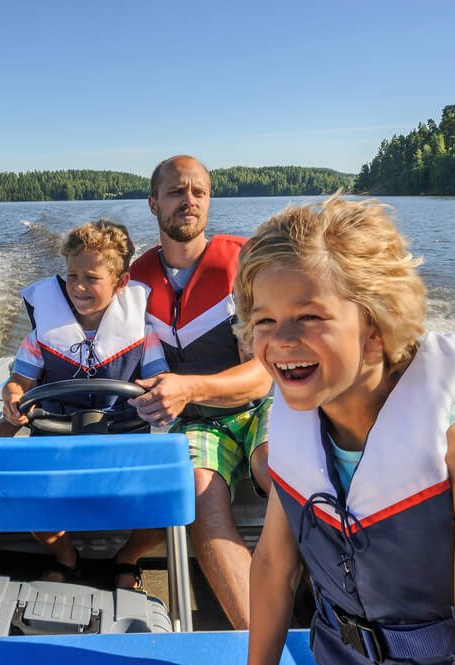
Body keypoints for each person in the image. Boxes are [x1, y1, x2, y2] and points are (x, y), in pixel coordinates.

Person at [237, 196, 455, 665]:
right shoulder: (293, 435)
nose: (282, 339)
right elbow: (272, 566)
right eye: (264, 320)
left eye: (310, 317)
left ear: (375, 325)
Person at [0, 219, 168, 589]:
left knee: (165, 509)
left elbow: (159, 380)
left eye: (91, 278)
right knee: (32, 507)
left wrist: (155, 394)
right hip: (55, 442)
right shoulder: (42, 335)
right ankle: (65, 556)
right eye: (72, 275)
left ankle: (127, 558)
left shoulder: (144, 335)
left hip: (123, 441)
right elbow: (19, 381)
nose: (78, 286)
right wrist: (13, 397)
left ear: (120, 282)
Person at [127, 155, 273, 629]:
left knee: (279, 468)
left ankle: (328, 588)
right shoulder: (132, 283)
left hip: (260, 403)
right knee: (200, 496)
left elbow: (265, 373)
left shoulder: (245, 266)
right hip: (191, 419)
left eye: (199, 192)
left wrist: (190, 386)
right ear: (153, 204)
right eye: (175, 192)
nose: (188, 201)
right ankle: (260, 642)